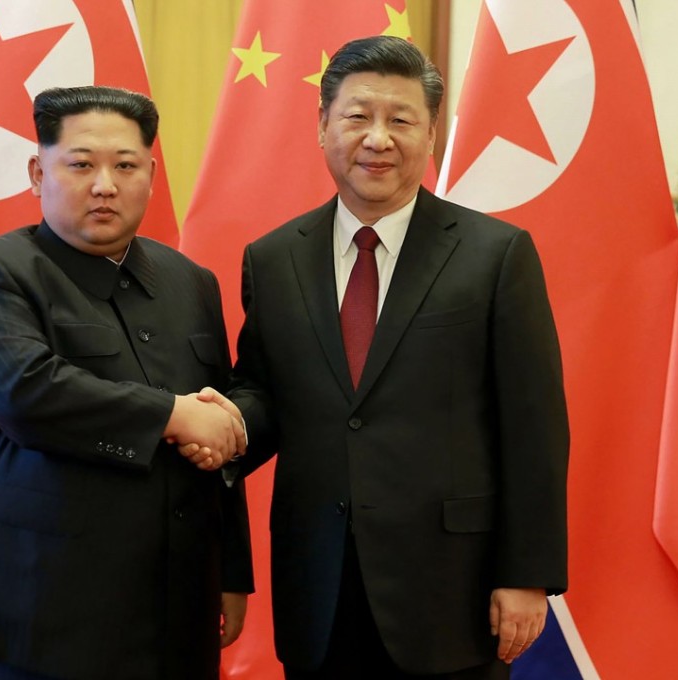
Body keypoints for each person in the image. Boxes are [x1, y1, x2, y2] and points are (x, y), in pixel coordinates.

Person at [193, 35, 569, 679]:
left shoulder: (495, 254)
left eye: (401, 120)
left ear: (431, 135)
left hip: (452, 587)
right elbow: (266, 393)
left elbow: (534, 425)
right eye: (358, 116)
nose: (378, 138)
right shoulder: (274, 258)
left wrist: (527, 574)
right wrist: (218, 428)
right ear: (322, 126)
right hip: (318, 581)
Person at [0, 85, 253, 680]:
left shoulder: (192, 281)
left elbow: (217, 425)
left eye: (125, 165)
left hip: (177, 608)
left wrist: (230, 572)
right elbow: (27, 393)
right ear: (38, 172)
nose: (104, 184)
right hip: (40, 613)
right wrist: (173, 416)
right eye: (81, 164)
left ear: (151, 175)